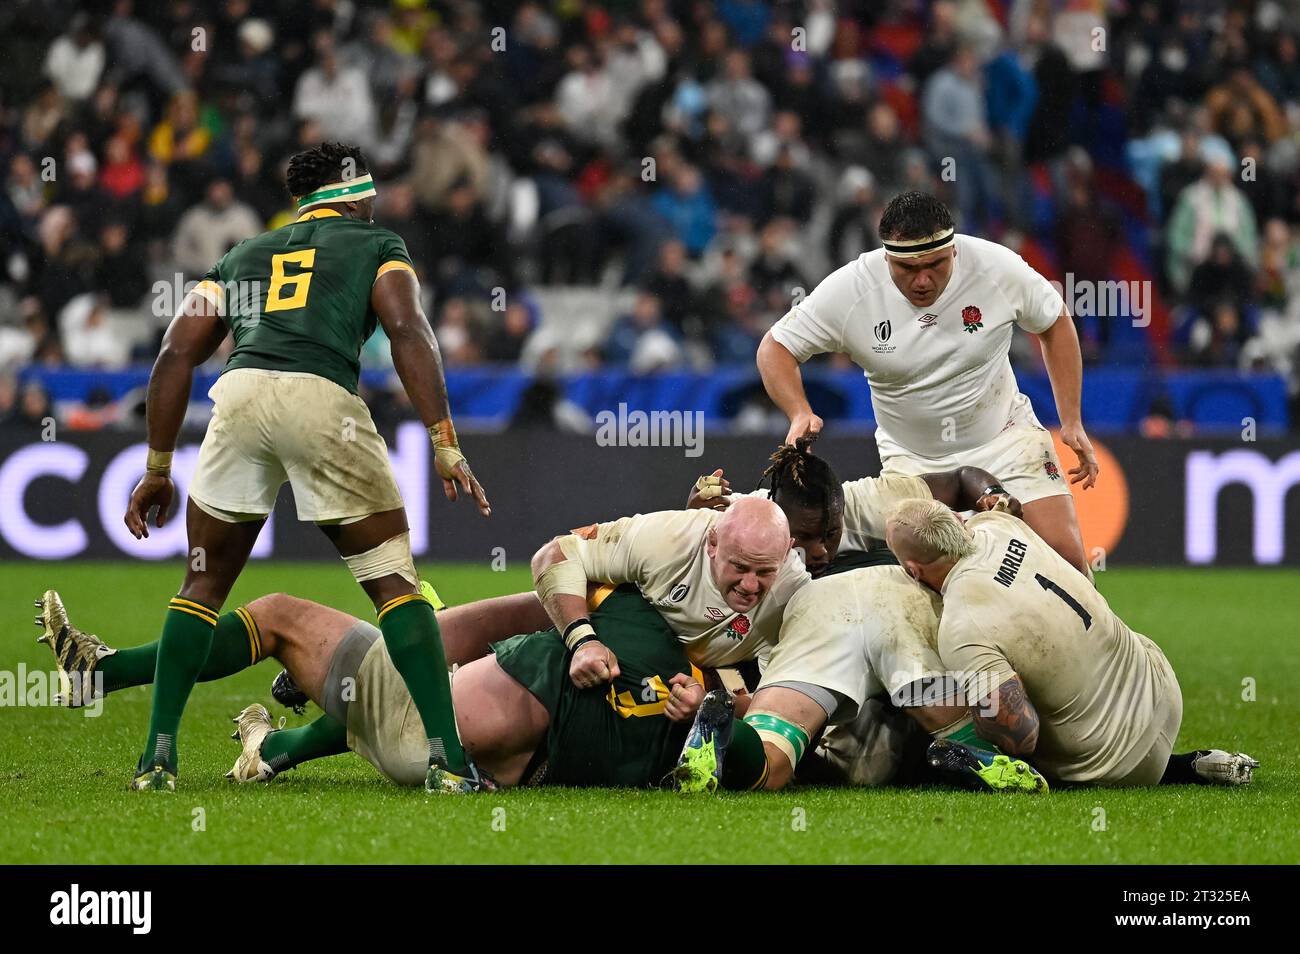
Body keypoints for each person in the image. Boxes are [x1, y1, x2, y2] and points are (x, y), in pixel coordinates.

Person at [120, 142, 492, 794]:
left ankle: (157, 761)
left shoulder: (243, 254)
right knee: (396, 586)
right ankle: (449, 763)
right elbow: (408, 331)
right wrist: (444, 438)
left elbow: (177, 353)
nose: (376, 201)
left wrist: (157, 465)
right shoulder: (376, 245)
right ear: (350, 192)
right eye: (370, 191)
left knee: (201, 587)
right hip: (321, 398)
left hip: (238, 397)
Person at [33, 588, 706, 790]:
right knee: (409, 657)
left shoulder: (589, 599)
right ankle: (271, 750)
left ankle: (104, 671)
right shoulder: (689, 671)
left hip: (439, 743)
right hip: (483, 761)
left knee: (277, 616)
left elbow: (465, 626)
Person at [756, 190, 1098, 576]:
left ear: (953, 250)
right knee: (938, 582)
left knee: (1068, 566)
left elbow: (1054, 320)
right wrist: (798, 410)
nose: (922, 280)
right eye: (907, 268)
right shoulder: (853, 290)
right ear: (887, 258)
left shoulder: (996, 268)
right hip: (914, 465)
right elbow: (775, 347)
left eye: (935, 264)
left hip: (1005, 438)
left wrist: (1071, 420)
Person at [882, 499, 1259, 787]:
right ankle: (1184, 766)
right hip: (1161, 688)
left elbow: (1020, 738)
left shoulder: (962, 624)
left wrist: (966, 710)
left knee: (947, 747)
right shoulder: (1000, 525)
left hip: (1114, 762)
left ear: (912, 571)